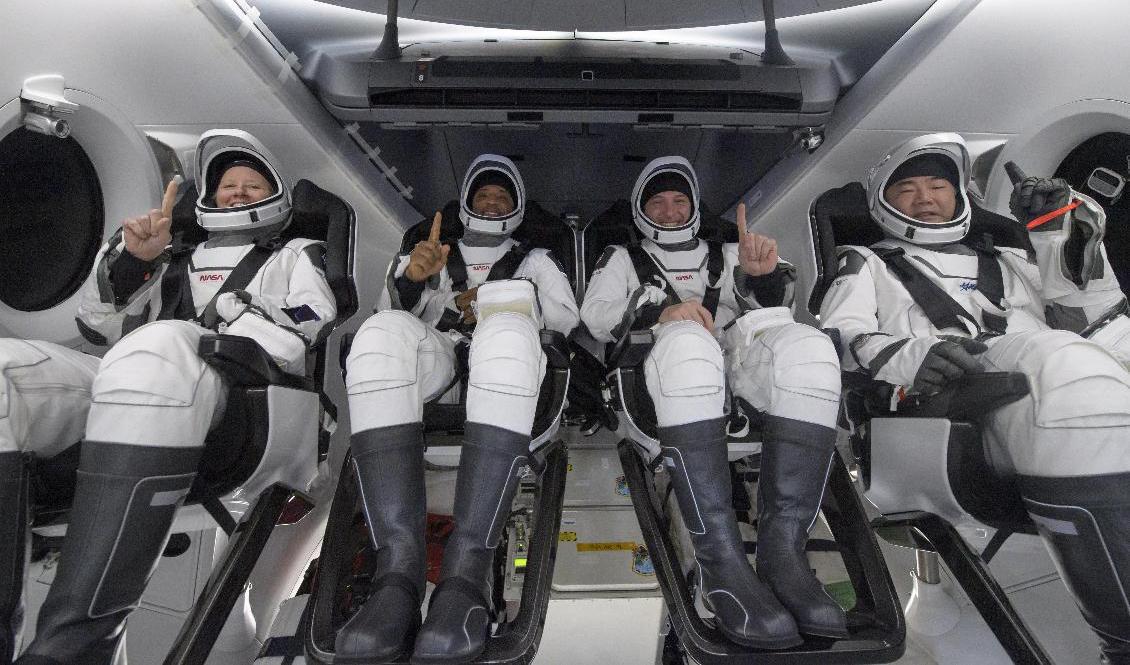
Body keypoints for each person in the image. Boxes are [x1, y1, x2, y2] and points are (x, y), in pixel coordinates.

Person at [3, 129, 336, 665]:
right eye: (228, 184)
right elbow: (99, 328)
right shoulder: (172, 255)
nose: (239, 192)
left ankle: (75, 650)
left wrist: (238, 314)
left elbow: (308, 322)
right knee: (8, 369)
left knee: (159, 346)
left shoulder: (297, 254)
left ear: (275, 196)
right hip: (134, 376)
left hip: (243, 397)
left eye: (252, 184)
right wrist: (134, 263)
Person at [819, 132, 1130, 663]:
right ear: (882, 205)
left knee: (1082, 361)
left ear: (959, 194)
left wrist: (1056, 236)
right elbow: (841, 338)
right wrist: (911, 356)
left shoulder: (1012, 259)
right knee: (1067, 366)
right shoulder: (866, 263)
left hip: (1049, 380)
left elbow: (1097, 322)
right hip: (946, 404)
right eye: (907, 189)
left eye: (938, 185)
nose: (925, 197)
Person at [580, 156, 847, 649]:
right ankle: (720, 566)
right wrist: (662, 310)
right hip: (665, 371)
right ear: (640, 210)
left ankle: (783, 556)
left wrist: (762, 279)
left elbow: (770, 315)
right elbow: (595, 316)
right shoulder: (622, 258)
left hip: (737, 369)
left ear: (694, 208)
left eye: (679, 201)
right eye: (658, 203)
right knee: (688, 340)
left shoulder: (730, 252)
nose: (670, 211)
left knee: (810, 347)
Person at [338, 154, 578, 664]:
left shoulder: (537, 259)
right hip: (441, 365)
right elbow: (392, 313)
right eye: (483, 196)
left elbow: (565, 320)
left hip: (510, 368)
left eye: (501, 197)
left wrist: (502, 299)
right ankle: (396, 579)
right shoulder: (430, 252)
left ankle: (466, 580)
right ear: (466, 203)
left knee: (507, 331)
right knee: (379, 333)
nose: (491, 204)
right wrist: (413, 278)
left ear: (516, 207)